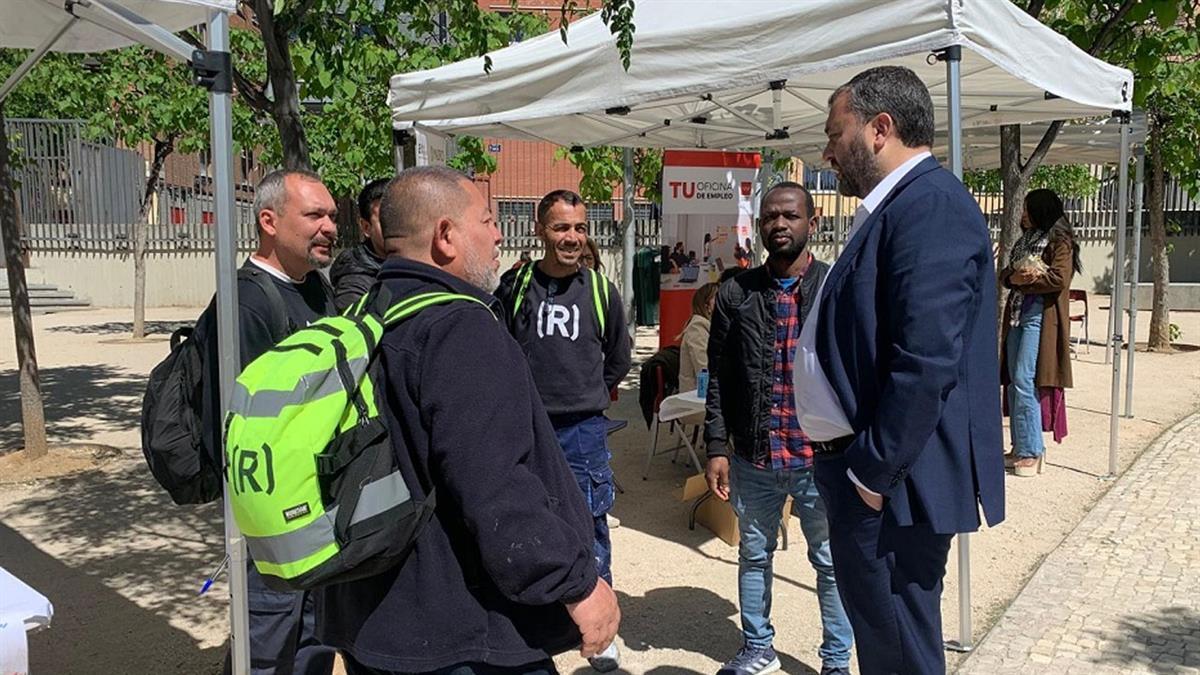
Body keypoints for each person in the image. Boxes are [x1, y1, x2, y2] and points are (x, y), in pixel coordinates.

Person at [317, 167, 620, 675]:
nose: (499, 233)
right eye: (486, 219)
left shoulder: (365, 313)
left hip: (373, 621)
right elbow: (496, 487)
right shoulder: (461, 327)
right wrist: (578, 585)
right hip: (461, 636)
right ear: (445, 236)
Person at [795, 66, 1004, 674]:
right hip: (868, 476)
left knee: (899, 650)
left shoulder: (930, 208)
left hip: (891, 488)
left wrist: (871, 473)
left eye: (837, 133)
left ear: (880, 128)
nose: (827, 151)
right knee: (884, 643)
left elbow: (926, 361)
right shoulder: (901, 205)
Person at [703, 182, 852, 675]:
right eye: (770, 217)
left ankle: (835, 660)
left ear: (812, 223)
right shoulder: (736, 292)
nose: (779, 225)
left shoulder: (835, 287)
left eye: (790, 216)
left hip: (820, 458)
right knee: (754, 554)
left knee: (830, 565)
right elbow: (719, 376)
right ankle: (757, 646)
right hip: (755, 456)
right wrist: (716, 447)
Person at [494, 188, 632, 672]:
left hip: (582, 433)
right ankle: (537, 621)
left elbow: (618, 356)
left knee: (590, 525)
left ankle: (600, 632)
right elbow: (497, 349)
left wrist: (588, 396)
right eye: (560, 228)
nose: (571, 238)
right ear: (539, 230)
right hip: (525, 429)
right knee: (524, 522)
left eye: (578, 227)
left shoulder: (598, 290)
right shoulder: (514, 288)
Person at [215, 169, 340, 675]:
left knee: (314, 642)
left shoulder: (318, 290)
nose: (330, 226)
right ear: (269, 221)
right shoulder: (244, 304)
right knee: (265, 648)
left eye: (331, 215)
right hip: (270, 525)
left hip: (318, 513)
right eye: (315, 215)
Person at [999, 188, 1081, 476]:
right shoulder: (1025, 241)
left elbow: (1058, 278)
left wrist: (1023, 282)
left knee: (1024, 378)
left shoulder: (1061, 242)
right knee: (1012, 380)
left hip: (1040, 316)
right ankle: (1019, 445)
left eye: (1027, 209)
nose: (1023, 214)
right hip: (1017, 314)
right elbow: (1005, 273)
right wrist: (1014, 277)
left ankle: (1033, 450)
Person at [330, 177, 389, 311]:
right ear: (366, 227)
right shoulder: (354, 284)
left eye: (401, 217)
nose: (397, 225)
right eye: (386, 219)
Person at [678, 282, 718, 394]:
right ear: (706, 305)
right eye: (717, 298)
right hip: (697, 398)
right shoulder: (697, 328)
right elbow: (703, 368)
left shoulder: (711, 327)